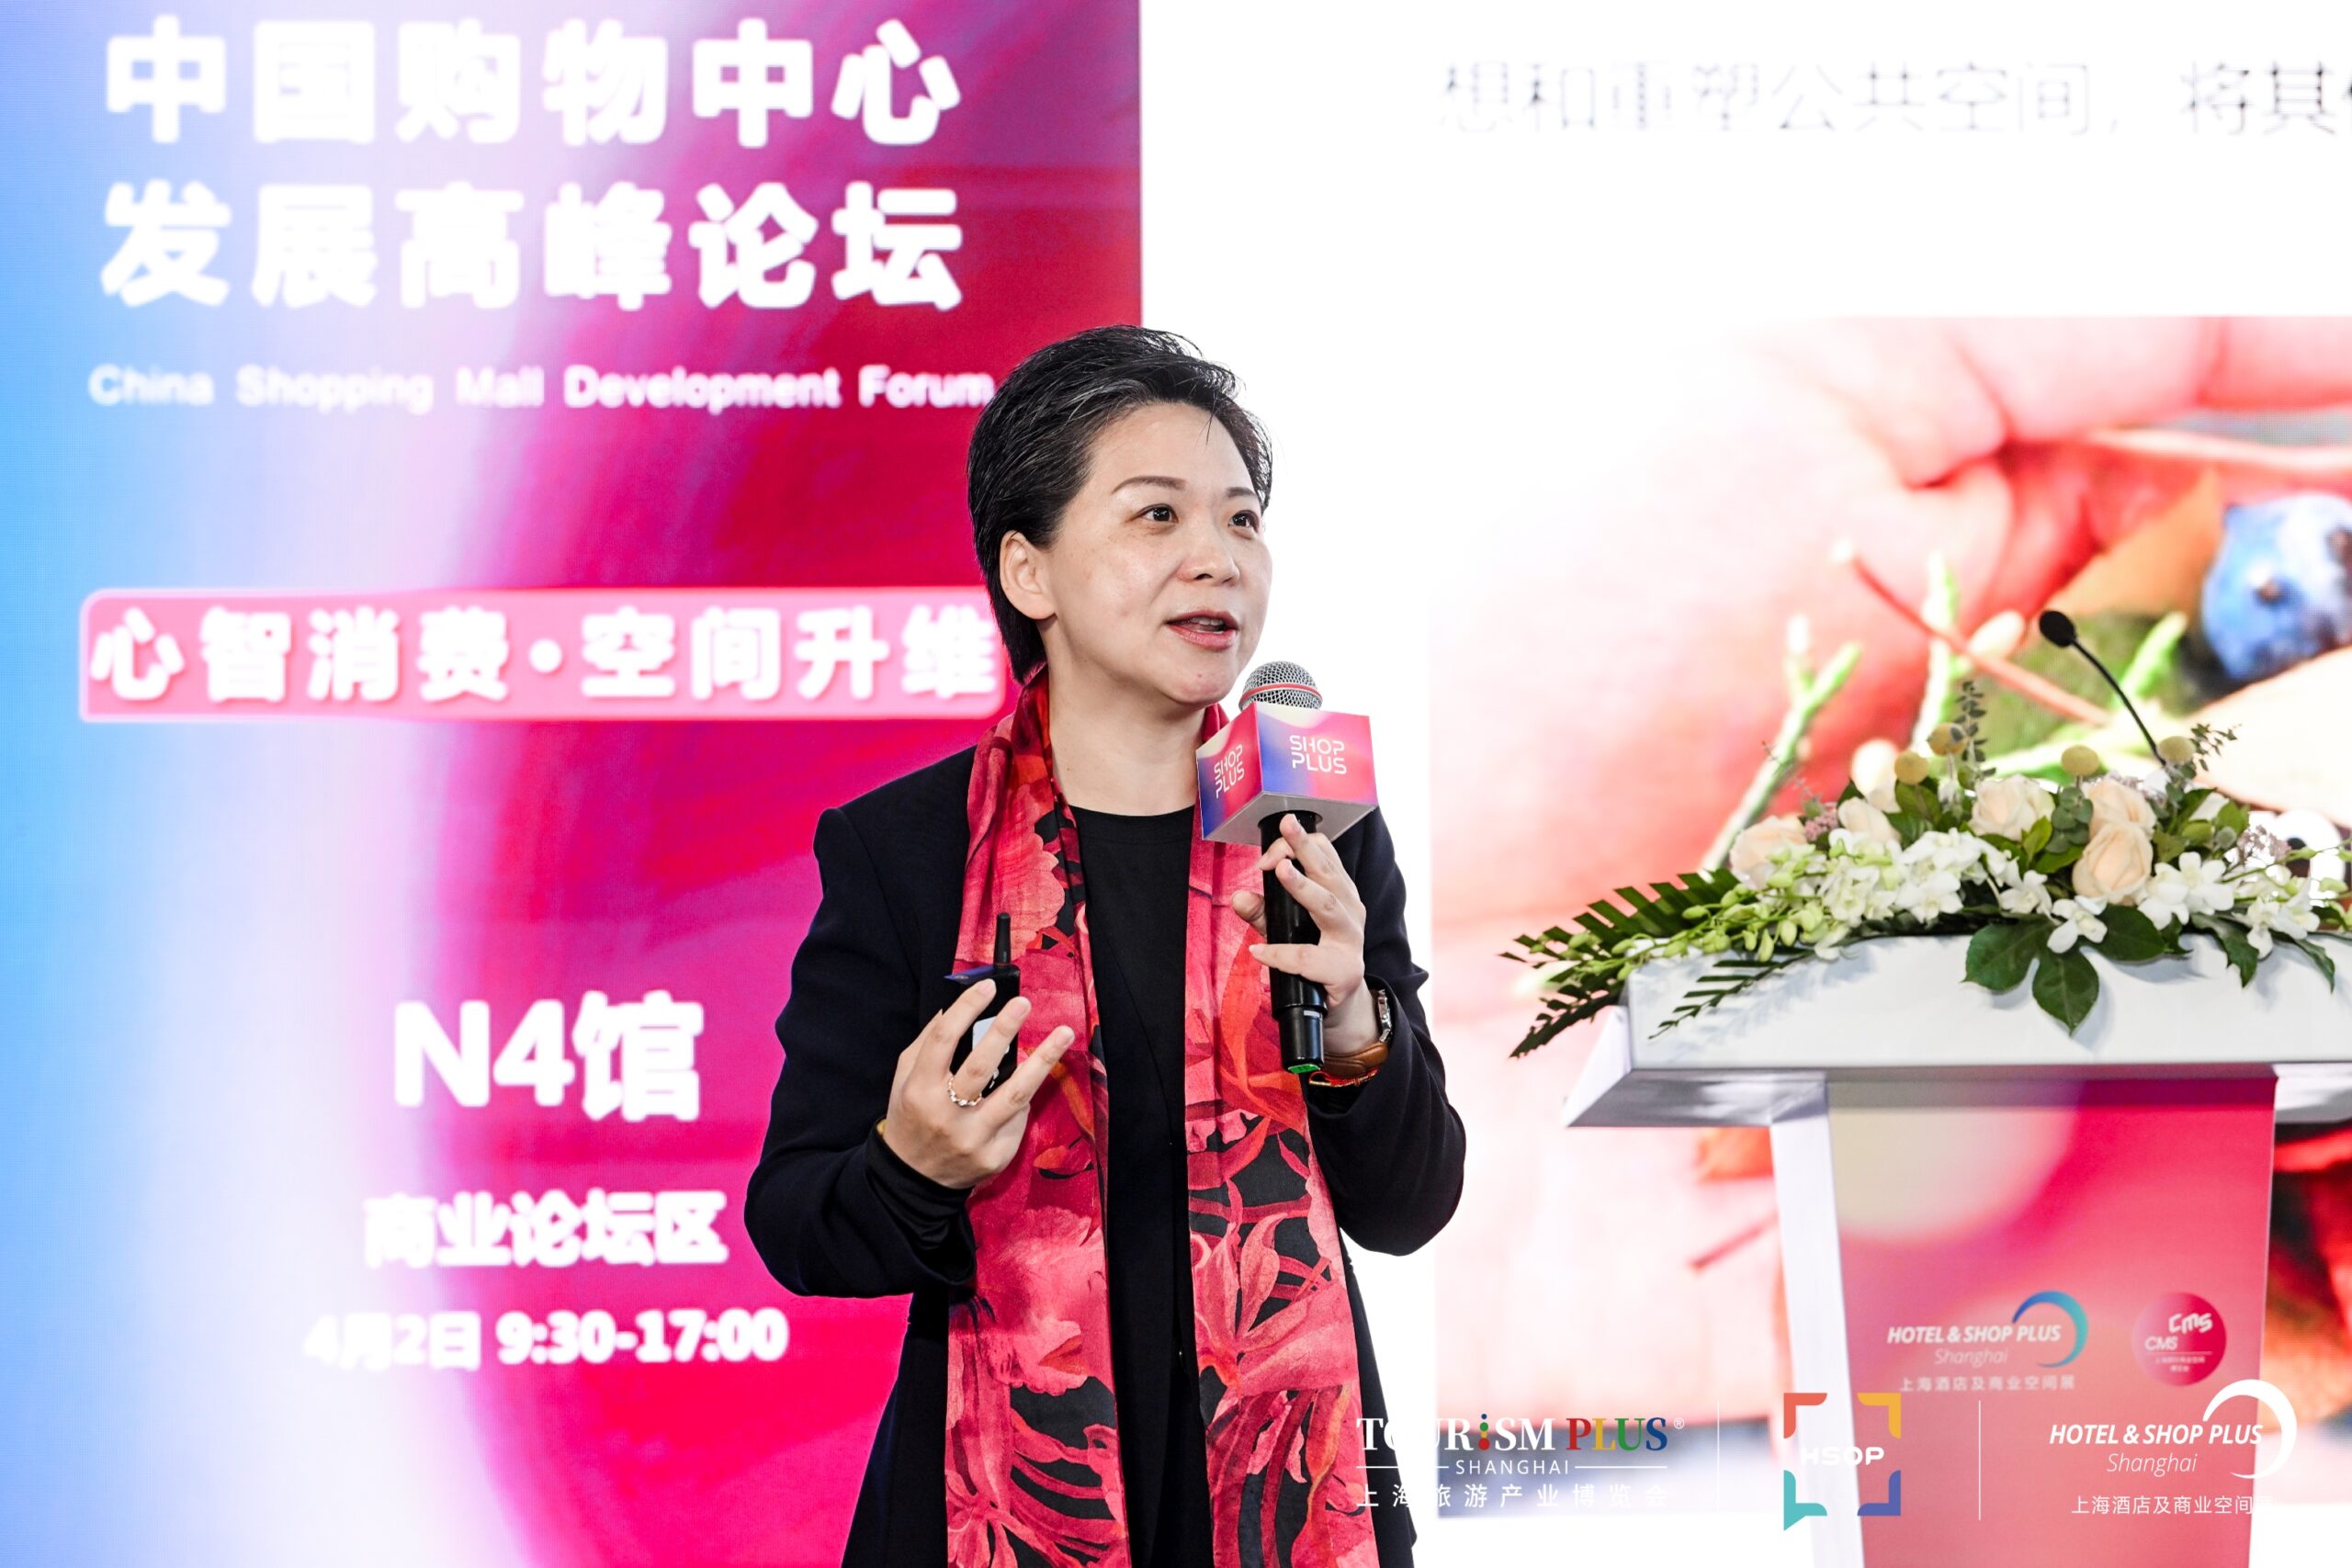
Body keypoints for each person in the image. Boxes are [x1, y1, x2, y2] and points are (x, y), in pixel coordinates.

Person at [745, 325, 1468, 1568]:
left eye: (1242, 521)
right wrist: (913, 1164)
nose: (1218, 558)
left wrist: (1357, 1027)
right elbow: (799, 1225)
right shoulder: (910, 848)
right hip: (997, 1498)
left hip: (1292, 1489)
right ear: (1029, 571)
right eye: (1158, 516)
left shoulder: (1313, 825)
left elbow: (1410, 1206)